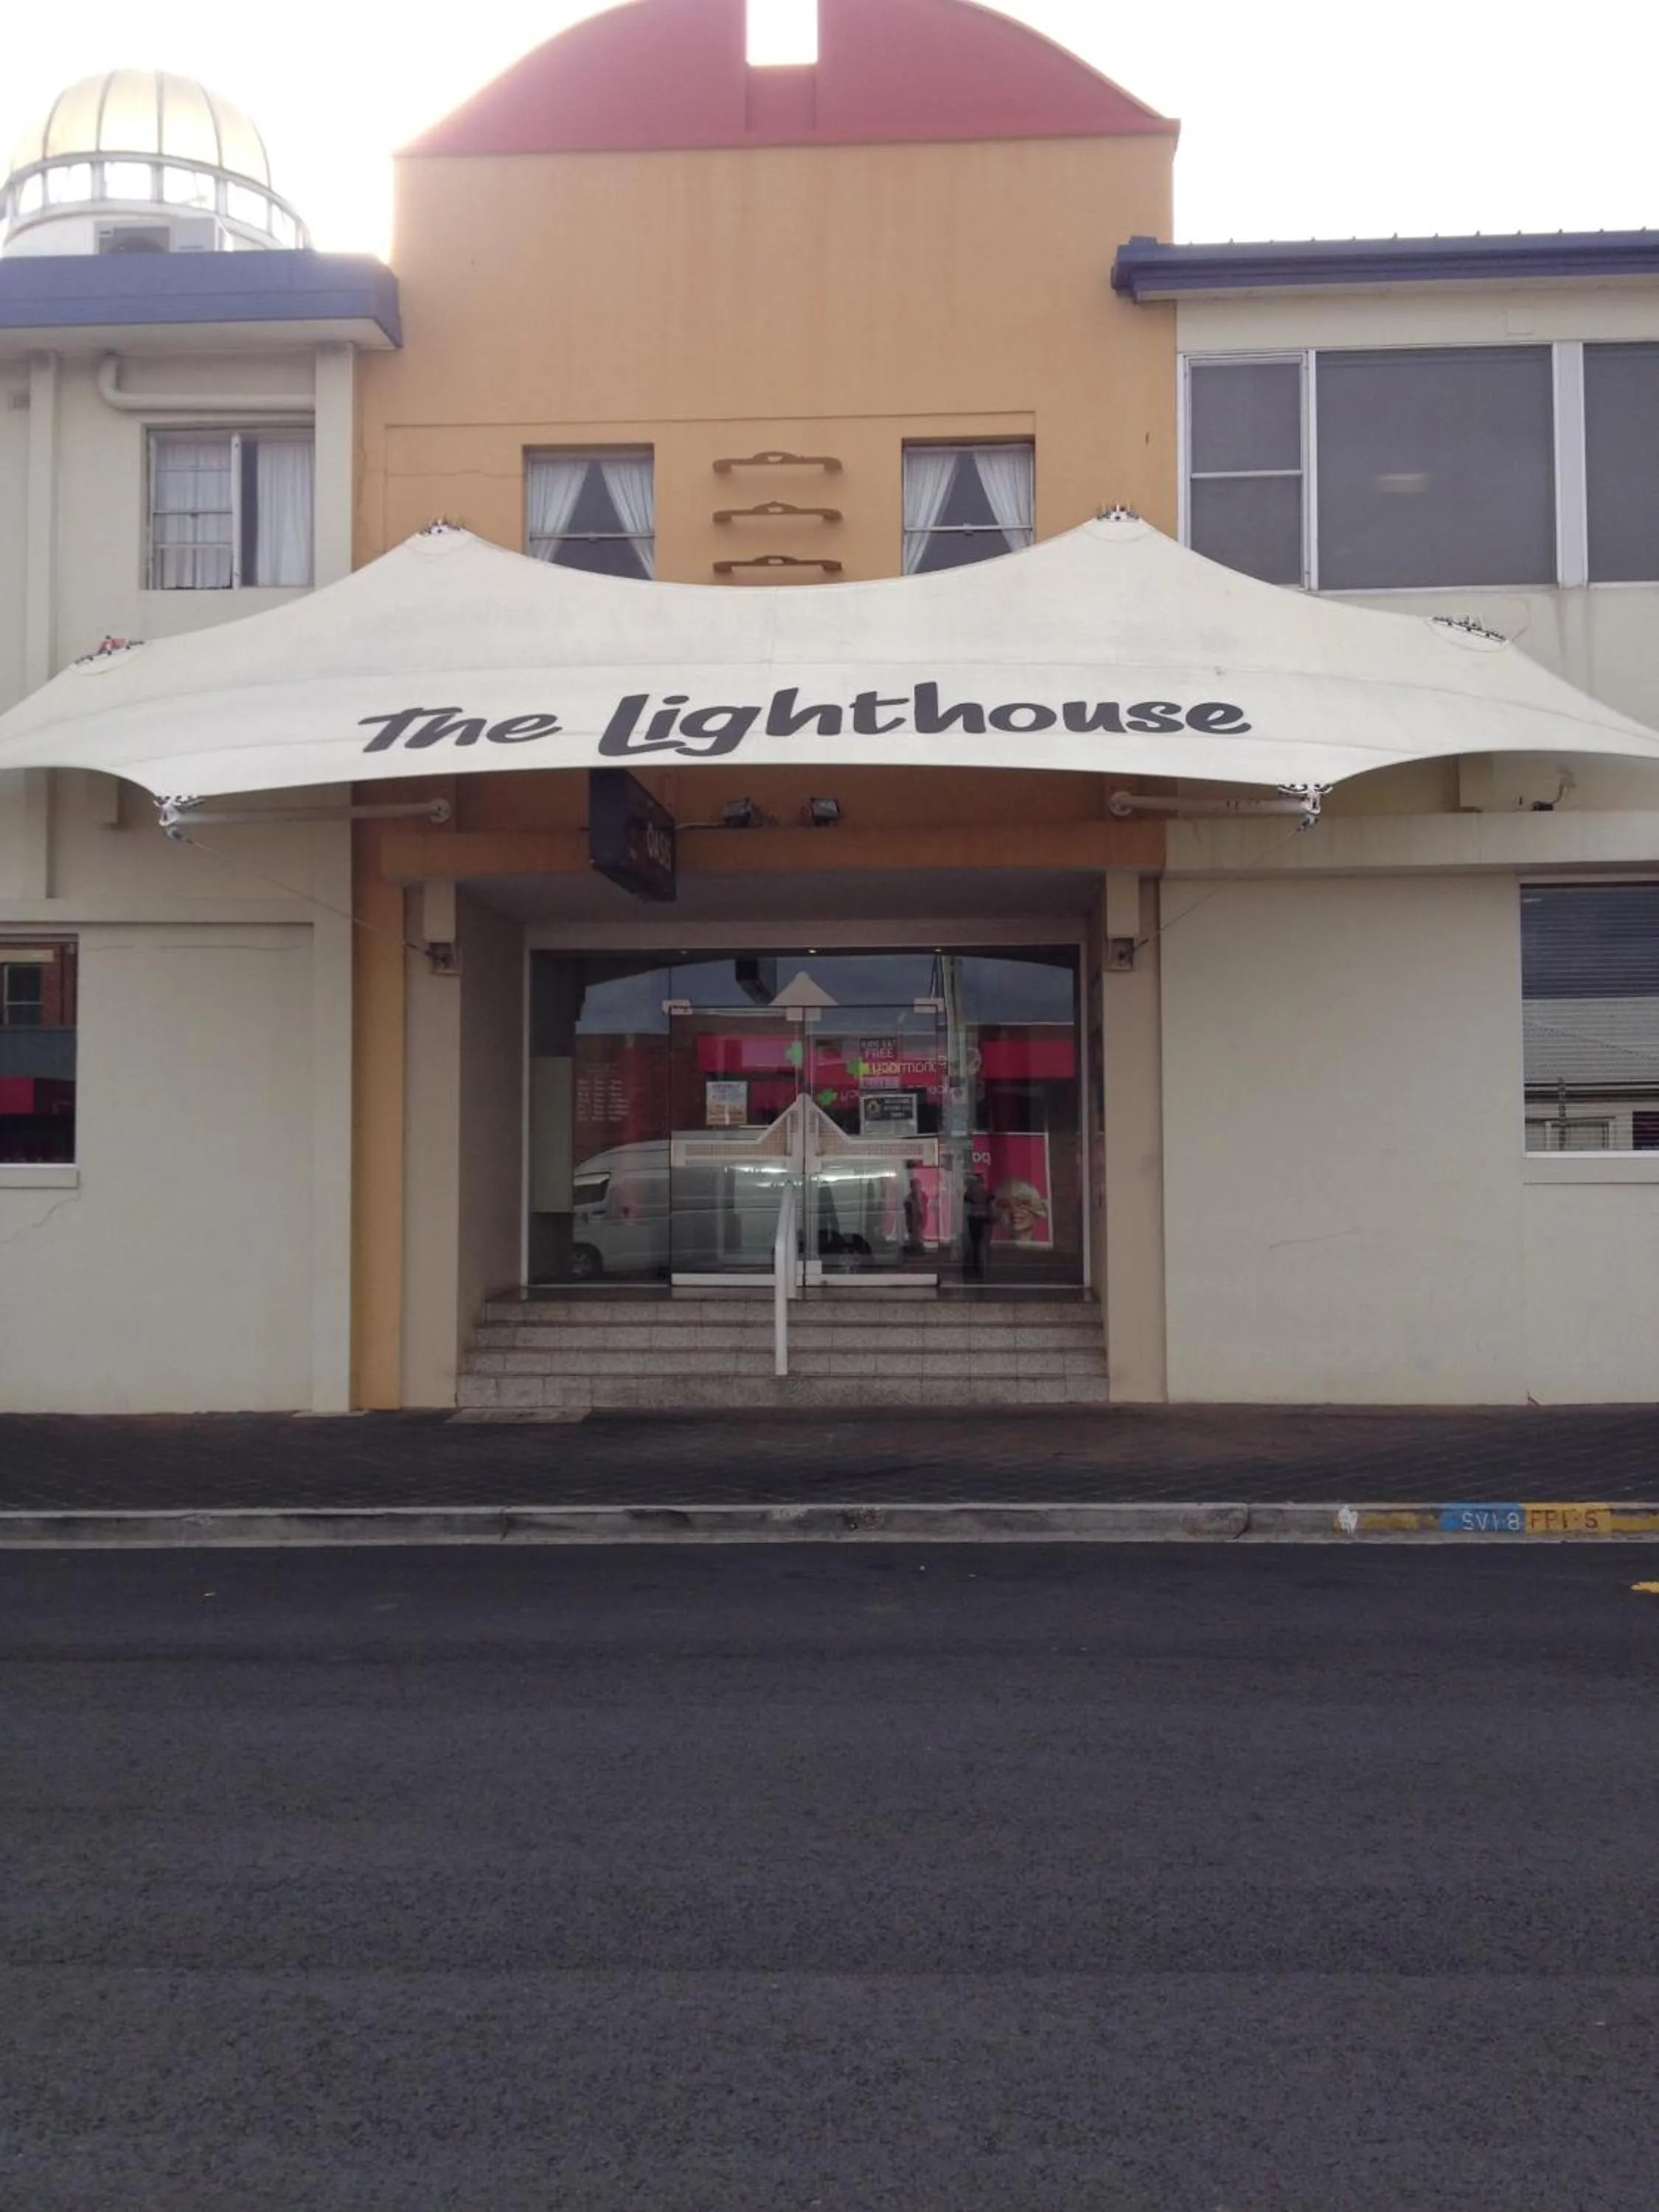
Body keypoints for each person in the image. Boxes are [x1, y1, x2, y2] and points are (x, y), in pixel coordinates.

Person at [963, 1167, 992, 1280]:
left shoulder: (972, 1192)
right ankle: (981, 1267)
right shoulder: (985, 1191)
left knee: (975, 1244)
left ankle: (976, 1266)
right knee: (982, 1243)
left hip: (975, 1218)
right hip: (983, 1218)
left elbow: (967, 1200)